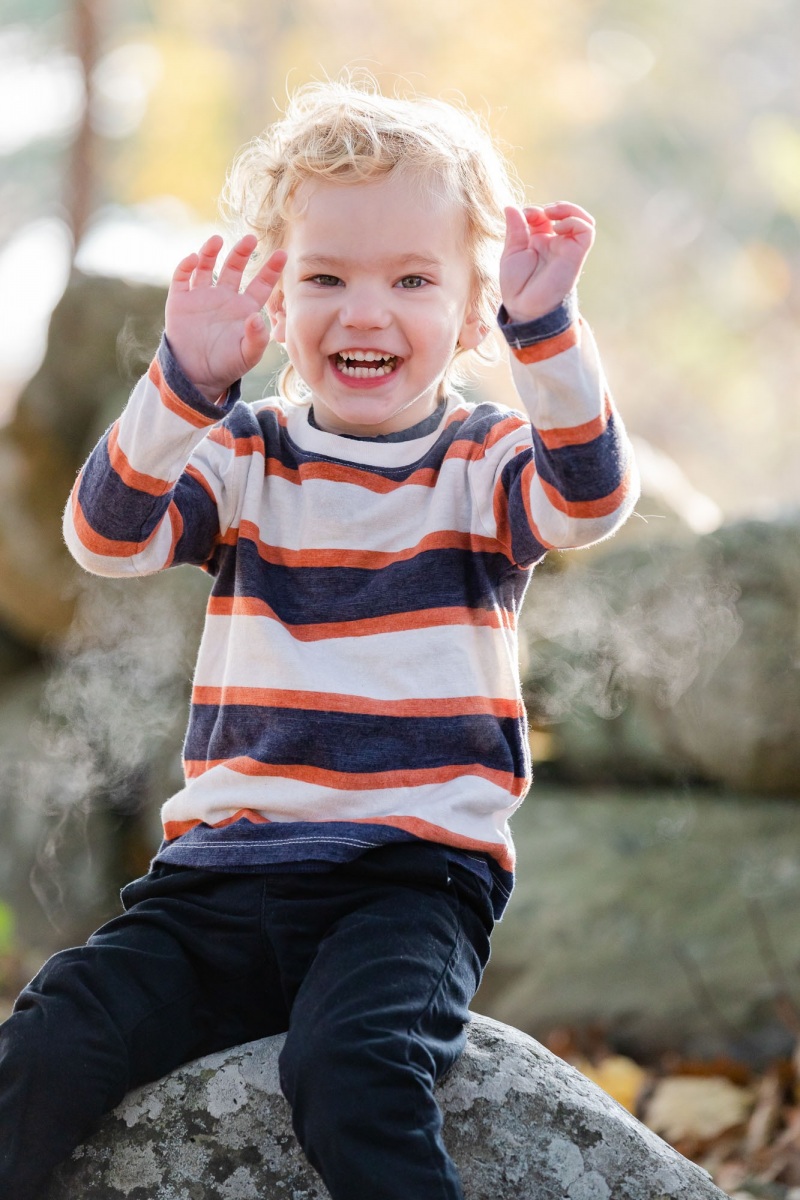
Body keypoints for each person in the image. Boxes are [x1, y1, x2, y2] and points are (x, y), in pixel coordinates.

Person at [0, 78, 638, 1199]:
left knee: (350, 1070)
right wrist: (184, 381)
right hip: (216, 880)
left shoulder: (479, 463)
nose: (364, 312)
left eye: (410, 279)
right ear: (275, 294)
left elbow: (586, 499)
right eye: (325, 277)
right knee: (57, 1030)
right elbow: (108, 535)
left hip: (406, 879)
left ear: (473, 305)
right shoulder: (245, 453)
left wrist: (549, 338)